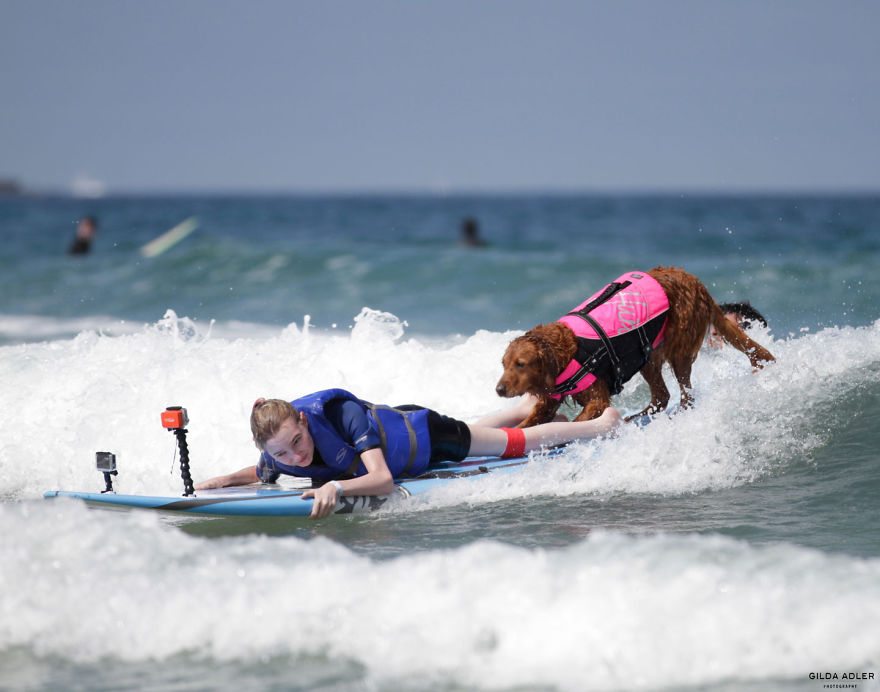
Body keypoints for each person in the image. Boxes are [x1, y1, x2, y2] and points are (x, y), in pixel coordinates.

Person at [194, 389, 622, 519]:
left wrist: (336, 487)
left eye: (299, 443)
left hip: (428, 437)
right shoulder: (279, 448)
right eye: (283, 452)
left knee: (512, 444)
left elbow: (381, 479)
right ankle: (526, 405)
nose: (297, 456)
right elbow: (261, 471)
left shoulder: (339, 415)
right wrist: (221, 482)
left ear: (305, 423)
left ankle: (599, 425)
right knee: (478, 431)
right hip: (406, 443)